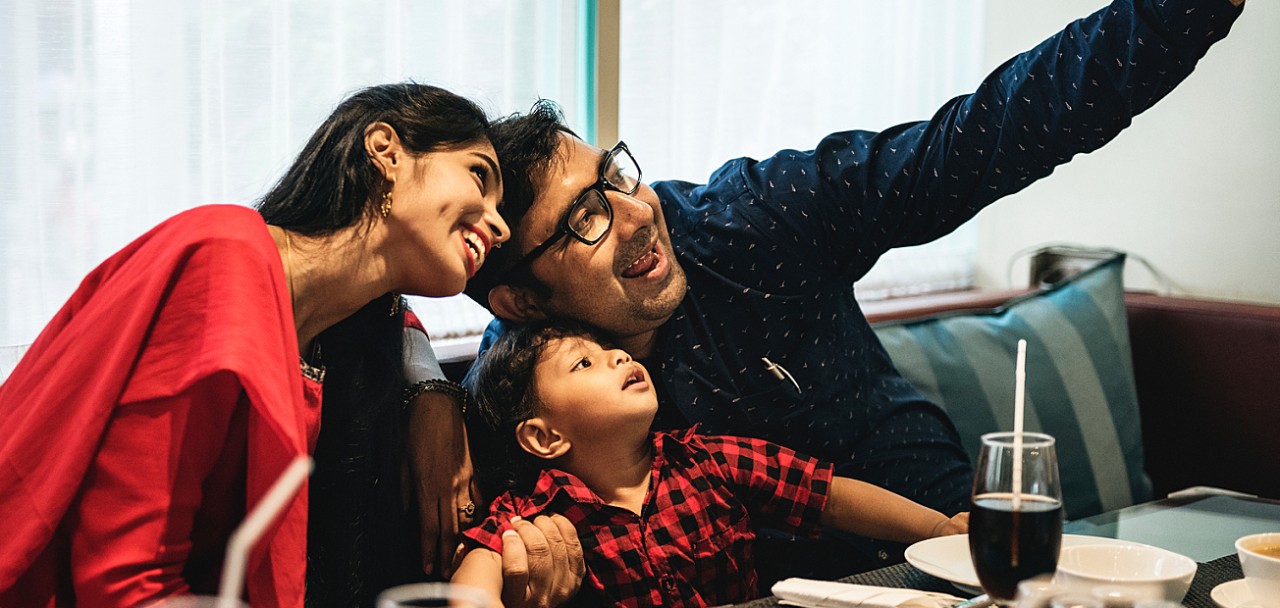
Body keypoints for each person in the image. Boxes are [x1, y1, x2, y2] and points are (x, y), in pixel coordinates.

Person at [463, 0, 1246, 580]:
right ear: (522, 301)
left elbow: (977, 140)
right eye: (587, 219)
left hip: (958, 554)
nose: (639, 215)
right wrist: (426, 401)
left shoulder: (755, 221)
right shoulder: (519, 397)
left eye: (618, 176)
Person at [0, 83, 576, 608]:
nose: (498, 226)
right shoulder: (224, 260)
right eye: (480, 176)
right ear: (385, 151)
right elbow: (123, 583)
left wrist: (433, 391)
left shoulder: (332, 341)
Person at [450, 322, 969, 606]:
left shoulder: (708, 459)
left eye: (612, 351)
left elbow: (828, 495)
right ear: (544, 437)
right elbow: (478, 568)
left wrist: (940, 528)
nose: (619, 358)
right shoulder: (537, 512)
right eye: (584, 363)